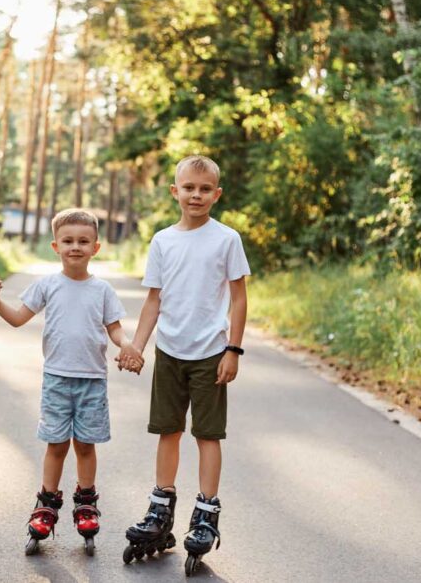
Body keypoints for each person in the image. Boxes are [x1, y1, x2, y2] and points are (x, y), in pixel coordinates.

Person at [0, 208, 143, 555]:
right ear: (55, 246)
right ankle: (46, 504)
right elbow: (17, 318)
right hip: (57, 378)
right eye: (68, 241)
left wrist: (127, 344)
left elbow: (114, 328)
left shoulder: (102, 290)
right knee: (56, 444)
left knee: (85, 444)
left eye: (83, 241)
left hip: (92, 381)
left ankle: (86, 502)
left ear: (96, 247)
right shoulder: (47, 285)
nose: (75, 247)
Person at [122, 155, 249, 575]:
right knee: (167, 431)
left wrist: (234, 349)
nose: (196, 195)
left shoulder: (226, 239)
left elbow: (239, 297)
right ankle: (160, 510)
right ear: (174, 191)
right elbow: (153, 300)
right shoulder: (163, 241)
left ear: (217, 194)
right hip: (170, 353)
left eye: (204, 188)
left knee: (207, 434)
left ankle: (205, 513)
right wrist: (137, 346)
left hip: (211, 353)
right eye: (188, 187)